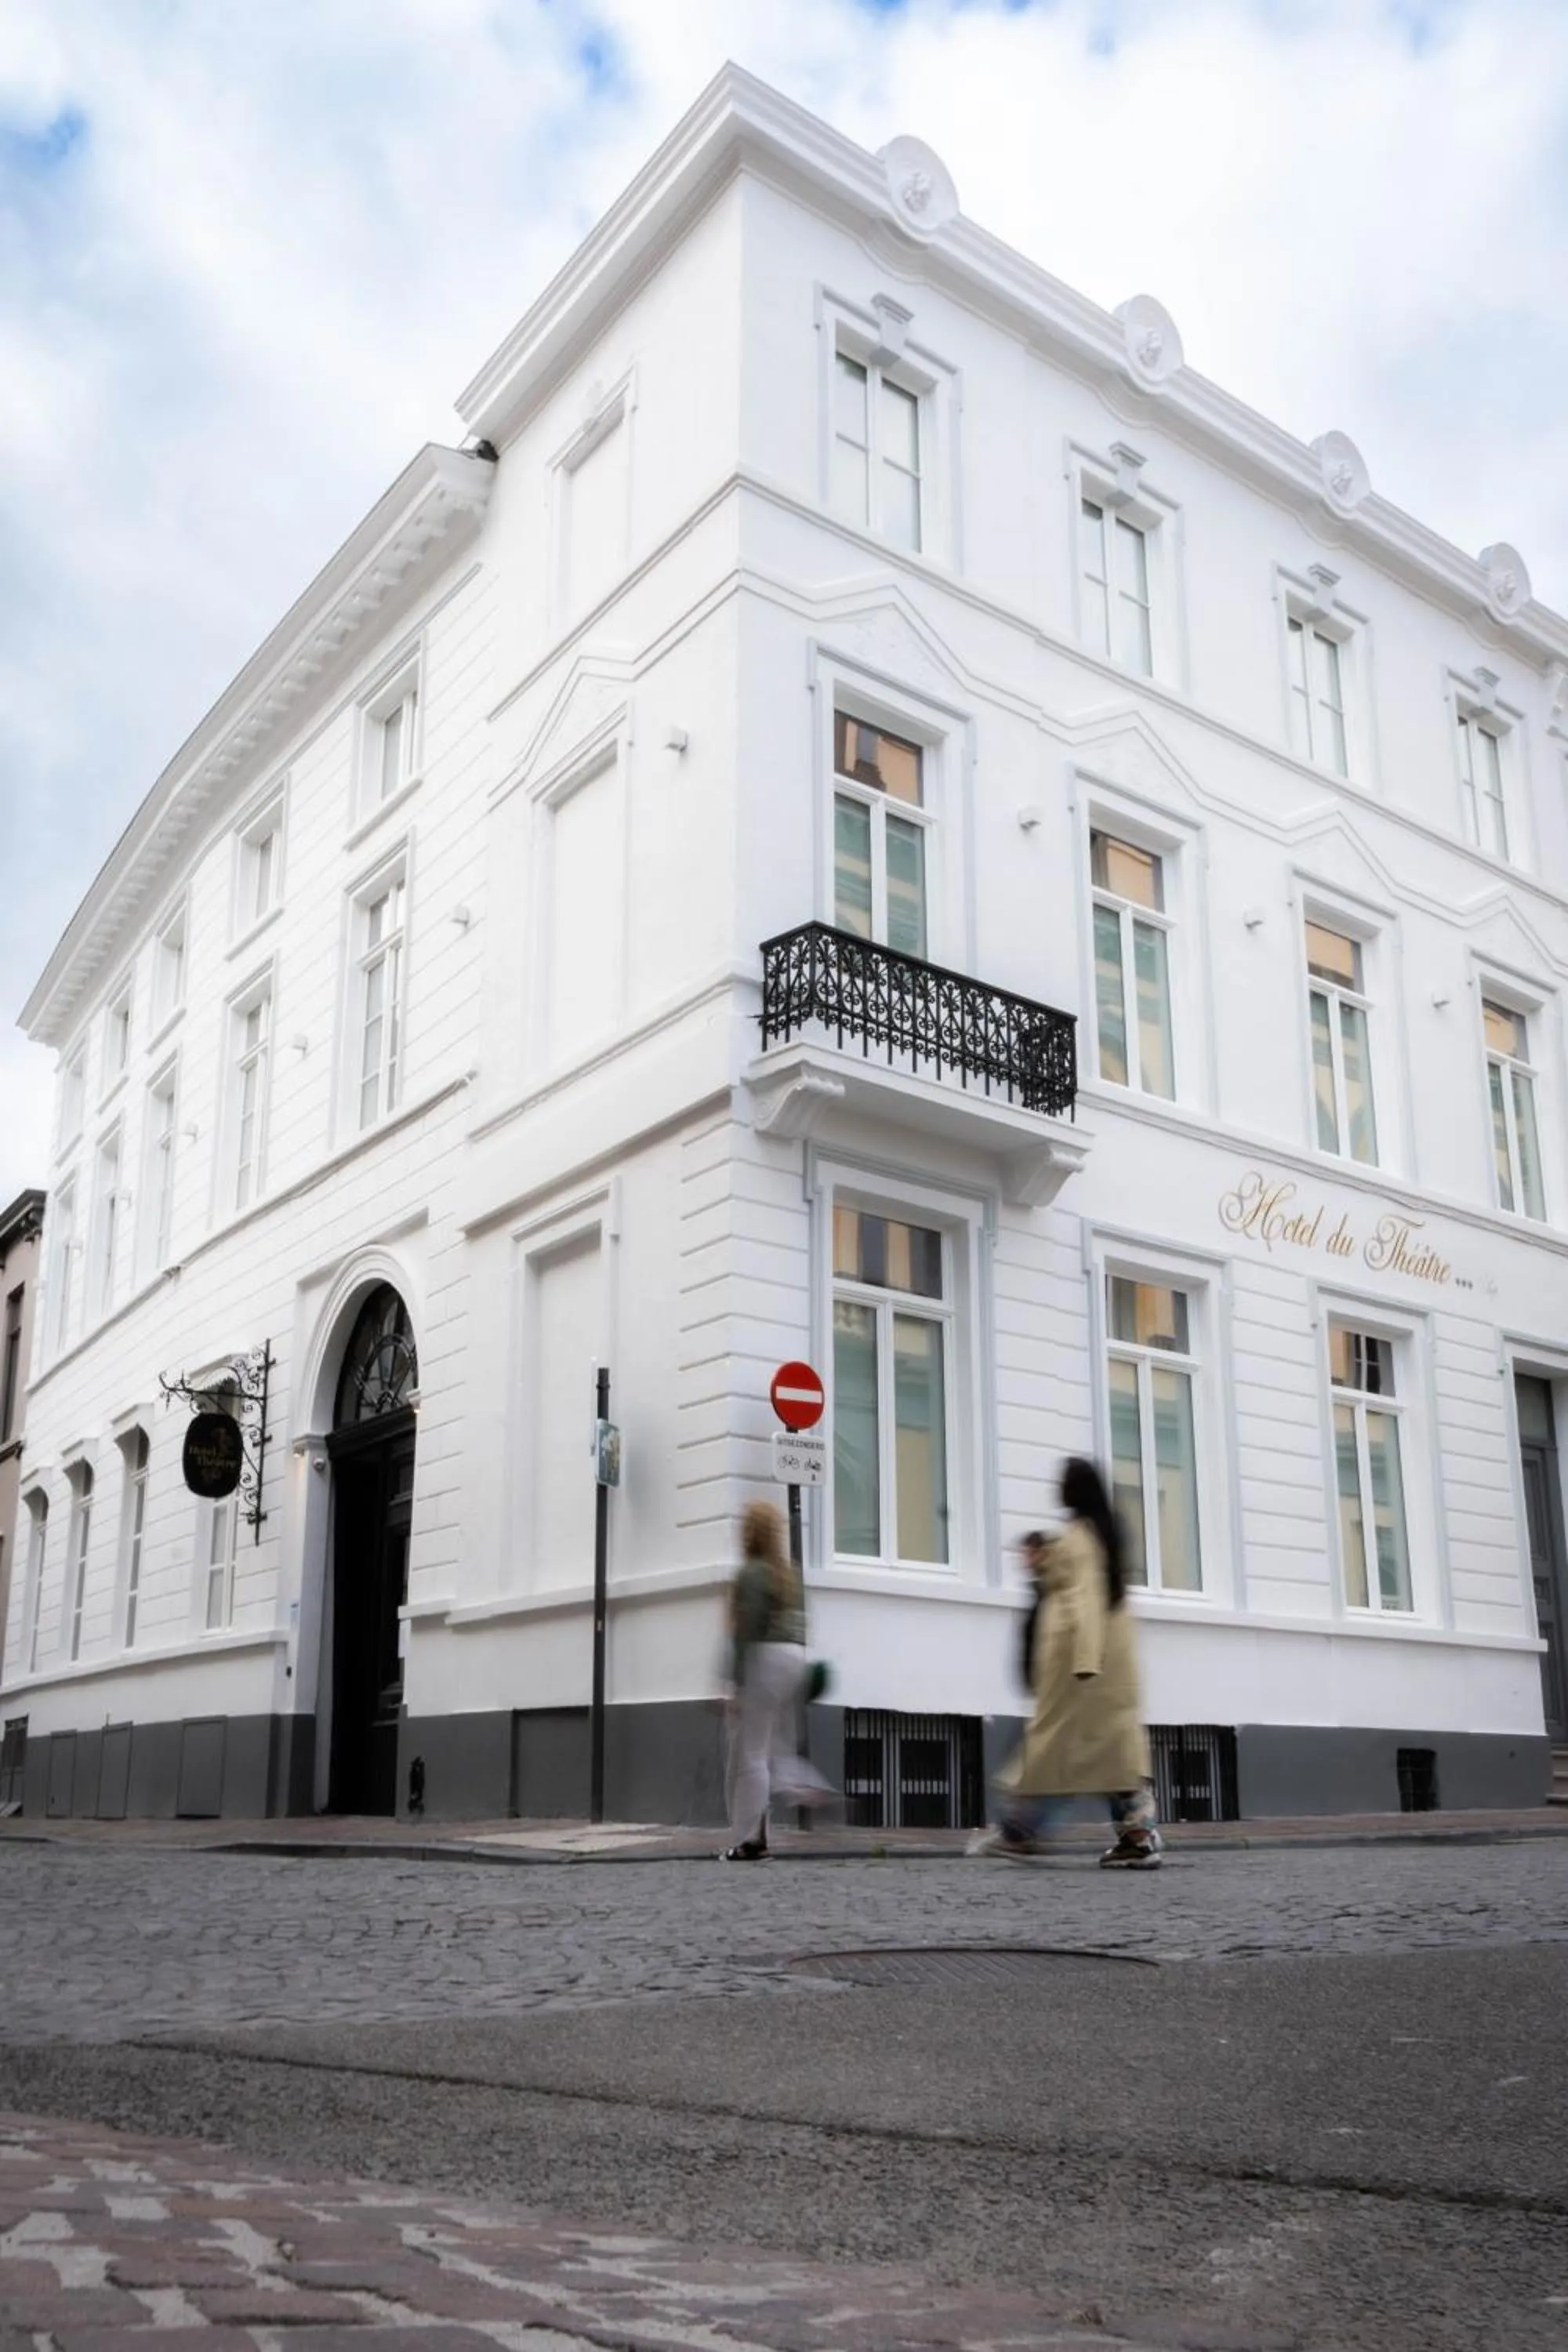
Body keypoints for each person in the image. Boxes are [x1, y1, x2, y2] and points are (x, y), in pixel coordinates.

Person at [971, 1458, 1163, 1869]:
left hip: (1083, 1674)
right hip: (1106, 1672)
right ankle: (1136, 1838)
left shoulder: (1080, 1539)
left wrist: (1085, 1661)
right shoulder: (1105, 1536)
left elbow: (1085, 1599)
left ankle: (1020, 1834)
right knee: (1111, 1759)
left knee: (1054, 1756)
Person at [720, 1498, 835, 1860]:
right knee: (774, 1750)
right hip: (794, 1661)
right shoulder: (790, 1574)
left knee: (749, 1756)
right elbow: (804, 1624)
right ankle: (804, 1785)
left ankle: (750, 1842)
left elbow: (746, 1632)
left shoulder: (752, 1573)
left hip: (765, 1659)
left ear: (749, 1533)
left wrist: (734, 1684)